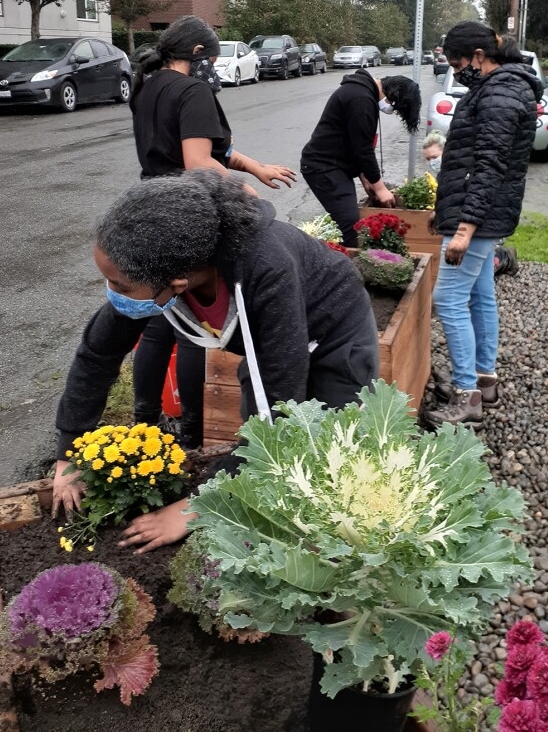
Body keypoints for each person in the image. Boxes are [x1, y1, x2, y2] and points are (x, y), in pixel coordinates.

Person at [50, 170, 381, 553]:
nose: (112, 294)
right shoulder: (165, 264)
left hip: (334, 330)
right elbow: (97, 355)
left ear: (177, 282)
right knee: (257, 429)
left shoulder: (266, 268)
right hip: (272, 342)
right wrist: (68, 452)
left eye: (120, 286)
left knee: (329, 446)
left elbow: (277, 406)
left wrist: (197, 507)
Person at [128, 16, 298, 448]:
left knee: (158, 320)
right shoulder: (193, 90)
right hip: (192, 211)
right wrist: (245, 193)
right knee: (193, 327)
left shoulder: (149, 85)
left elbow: (206, 147)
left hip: (152, 204)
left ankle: (146, 422)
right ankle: (191, 433)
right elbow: (199, 160)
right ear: (198, 54)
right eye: (215, 60)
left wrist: (254, 167)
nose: (215, 70)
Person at [424, 21, 544, 429]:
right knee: (479, 294)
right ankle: (484, 378)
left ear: (479, 56)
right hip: (484, 214)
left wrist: (462, 229)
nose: (457, 72)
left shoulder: (499, 95)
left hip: (480, 217)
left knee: (449, 298)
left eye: (458, 64)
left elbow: (489, 168)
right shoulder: (501, 88)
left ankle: (466, 397)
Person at [299, 70, 421, 247]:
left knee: (351, 222)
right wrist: (380, 189)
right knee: (351, 226)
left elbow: (356, 142)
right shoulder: (361, 99)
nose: (391, 110)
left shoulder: (363, 94)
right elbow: (363, 150)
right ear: (393, 96)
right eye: (395, 107)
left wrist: (366, 177)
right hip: (323, 167)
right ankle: (347, 269)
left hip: (335, 166)